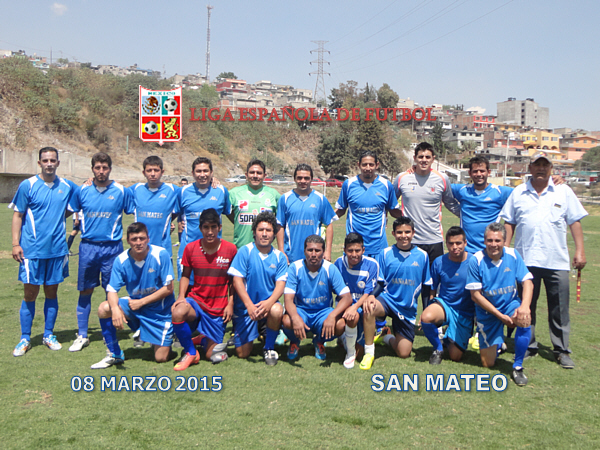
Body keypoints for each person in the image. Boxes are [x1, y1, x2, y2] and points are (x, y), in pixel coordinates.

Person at [499, 152, 587, 369]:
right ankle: (528, 345)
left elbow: (574, 222)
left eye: (544, 165)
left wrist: (580, 251)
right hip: (525, 260)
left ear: (551, 168)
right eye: (536, 164)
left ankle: (561, 350)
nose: (540, 168)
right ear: (530, 167)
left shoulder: (563, 191)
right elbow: (509, 222)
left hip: (556, 261)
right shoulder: (519, 191)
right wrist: (506, 250)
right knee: (526, 306)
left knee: (559, 308)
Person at [10, 147, 77, 356]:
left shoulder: (67, 186)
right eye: (45, 160)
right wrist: (15, 244)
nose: (49, 164)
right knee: (30, 293)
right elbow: (18, 215)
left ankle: (48, 334)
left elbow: (79, 199)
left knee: (52, 292)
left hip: (57, 250)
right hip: (32, 250)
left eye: (52, 160)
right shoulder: (27, 185)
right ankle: (25, 338)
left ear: (58, 163)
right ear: (39, 163)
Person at [67, 152, 134, 352]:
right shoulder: (82, 190)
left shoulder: (121, 191)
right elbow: (70, 209)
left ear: (110, 169)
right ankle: (82, 335)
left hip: (112, 248)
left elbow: (135, 210)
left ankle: (109, 334)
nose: (101, 171)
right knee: (85, 290)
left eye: (105, 167)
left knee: (110, 291)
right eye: (98, 167)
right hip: (88, 247)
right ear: (92, 169)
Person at [91, 223, 175, 368]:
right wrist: (115, 310)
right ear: (128, 241)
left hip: (160, 312)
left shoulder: (161, 254)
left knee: (161, 358)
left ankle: (157, 335)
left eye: (141, 238)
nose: (138, 242)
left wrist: (141, 302)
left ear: (148, 239)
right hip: (135, 306)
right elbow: (112, 290)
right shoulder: (121, 260)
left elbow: (169, 288)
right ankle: (114, 353)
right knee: (104, 308)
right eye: (134, 239)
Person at [466, 222, 533, 386]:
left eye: (497, 240)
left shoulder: (513, 254)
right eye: (489, 240)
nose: (493, 244)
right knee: (487, 363)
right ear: (484, 241)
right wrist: (500, 316)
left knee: (524, 320)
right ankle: (498, 345)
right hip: (487, 312)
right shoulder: (476, 260)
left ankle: (517, 366)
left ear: (504, 241)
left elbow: (528, 282)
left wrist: (524, 307)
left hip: (510, 304)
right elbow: (475, 296)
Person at [393, 142, 460, 309]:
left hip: (434, 240)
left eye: (427, 157)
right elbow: (390, 202)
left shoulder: (442, 178)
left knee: (432, 285)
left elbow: (451, 203)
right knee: (408, 282)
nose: (424, 160)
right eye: (420, 157)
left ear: (433, 159)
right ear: (414, 158)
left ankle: (429, 318)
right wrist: (400, 221)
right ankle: (405, 316)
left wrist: (469, 217)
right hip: (410, 241)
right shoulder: (402, 178)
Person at [360, 217, 432, 369]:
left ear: (413, 233)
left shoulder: (423, 255)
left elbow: (426, 287)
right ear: (393, 233)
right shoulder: (385, 253)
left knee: (404, 353)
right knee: (369, 307)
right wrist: (372, 296)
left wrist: (426, 311)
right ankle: (369, 353)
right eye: (399, 232)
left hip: (406, 308)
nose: (403, 236)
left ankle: (386, 336)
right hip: (387, 300)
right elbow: (380, 283)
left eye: (407, 232)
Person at [170, 209, 237, 371]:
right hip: (197, 301)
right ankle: (191, 352)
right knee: (178, 312)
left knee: (211, 355)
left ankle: (203, 339)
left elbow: (233, 281)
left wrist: (230, 304)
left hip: (217, 309)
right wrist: (181, 297)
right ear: (200, 228)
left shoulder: (231, 249)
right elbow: (185, 275)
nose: (210, 232)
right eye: (206, 227)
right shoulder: (191, 248)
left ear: (220, 227)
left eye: (213, 227)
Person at [227, 212, 287, 365]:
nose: (264, 234)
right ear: (254, 232)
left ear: (274, 234)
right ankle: (256, 331)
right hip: (247, 309)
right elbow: (237, 281)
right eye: (261, 230)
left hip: (267, 307)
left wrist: (268, 303)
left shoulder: (279, 256)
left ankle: (269, 347)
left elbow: (281, 284)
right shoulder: (245, 251)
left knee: (276, 310)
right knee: (242, 354)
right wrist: (249, 306)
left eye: (268, 230)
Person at [282, 235, 352, 363]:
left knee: (340, 324)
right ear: (304, 251)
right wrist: (295, 317)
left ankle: (319, 341)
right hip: (301, 310)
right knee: (287, 320)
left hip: (323, 312)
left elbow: (347, 298)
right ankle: (295, 341)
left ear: (323, 252)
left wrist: (332, 316)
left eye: (317, 250)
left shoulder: (330, 268)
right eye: (310, 250)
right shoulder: (295, 268)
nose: (313, 254)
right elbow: (288, 300)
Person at [420, 226, 474, 365]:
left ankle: (449, 338)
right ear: (446, 244)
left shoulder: (474, 262)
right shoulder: (439, 262)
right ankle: (438, 349)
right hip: (445, 305)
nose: (455, 247)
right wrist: (428, 309)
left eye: (458, 243)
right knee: (426, 317)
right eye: (451, 243)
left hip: (464, 312)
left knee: (455, 356)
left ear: (465, 243)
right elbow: (433, 289)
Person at [335, 151, 402, 258]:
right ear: (358, 165)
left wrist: (412, 216)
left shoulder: (386, 185)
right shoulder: (349, 184)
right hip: (354, 247)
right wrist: (322, 219)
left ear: (377, 165)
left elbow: (394, 211)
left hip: (378, 246)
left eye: (371, 164)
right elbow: (340, 210)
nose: (368, 168)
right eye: (364, 164)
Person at [177, 157, 231, 281]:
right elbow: (174, 213)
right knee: (187, 289)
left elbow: (228, 213)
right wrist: (178, 223)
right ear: (192, 173)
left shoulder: (221, 191)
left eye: (205, 171)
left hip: (215, 252)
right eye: (198, 171)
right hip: (188, 250)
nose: (202, 175)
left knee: (213, 288)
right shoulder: (183, 192)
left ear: (211, 173)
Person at [334, 233, 379, 368]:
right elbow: (336, 289)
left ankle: (372, 345)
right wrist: (347, 307)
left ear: (363, 250)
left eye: (357, 250)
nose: (354, 254)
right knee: (339, 326)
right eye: (350, 251)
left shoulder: (372, 264)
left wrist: (354, 307)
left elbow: (368, 293)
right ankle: (349, 352)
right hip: (344, 305)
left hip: (361, 307)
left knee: (360, 352)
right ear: (344, 250)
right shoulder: (338, 263)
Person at [450, 156, 513, 253]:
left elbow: (522, 194)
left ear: (489, 172)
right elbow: (441, 185)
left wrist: (506, 244)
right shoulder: (462, 190)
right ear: (470, 173)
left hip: (490, 250)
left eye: (482, 171)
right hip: (467, 251)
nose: (479, 174)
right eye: (475, 171)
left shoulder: (500, 192)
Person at [277, 163, 337, 263]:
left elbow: (329, 225)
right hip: (291, 255)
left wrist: (328, 251)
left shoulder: (320, 199)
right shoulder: (285, 198)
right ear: (294, 179)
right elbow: (280, 226)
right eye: (299, 178)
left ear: (311, 179)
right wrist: (281, 251)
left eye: (306, 178)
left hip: (315, 255)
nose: (303, 181)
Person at [129, 156, 180, 258]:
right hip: (140, 250)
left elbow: (191, 193)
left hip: (163, 250)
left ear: (162, 172)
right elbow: (116, 191)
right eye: (149, 170)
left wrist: (211, 181)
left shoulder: (173, 190)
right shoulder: (135, 189)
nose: (152, 174)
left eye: (156, 170)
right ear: (144, 173)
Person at [228, 159, 281, 250]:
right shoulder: (234, 193)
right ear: (246, 175)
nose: (255, 176)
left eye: (259, 173)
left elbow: (279, 222)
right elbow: (228, 213)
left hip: (265, 250)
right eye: (252, 172)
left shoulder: (274, 194)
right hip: (240, 249)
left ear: (264, 176)